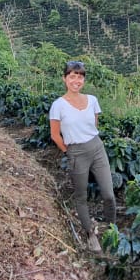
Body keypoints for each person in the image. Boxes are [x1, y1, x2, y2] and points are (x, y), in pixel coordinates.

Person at [49, 59, 116, 250]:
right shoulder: (58, 105)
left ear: (83, 80)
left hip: (96, 147)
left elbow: (93, 125)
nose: (76, 80)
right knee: (81, 195)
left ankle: (111, 228)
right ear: (65, 79)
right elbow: (55, 134)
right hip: (76, 151)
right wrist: (69, 152)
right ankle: (89, 234)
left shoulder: (92, 100)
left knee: (108, 194)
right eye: (72, 76)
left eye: (79, 76)